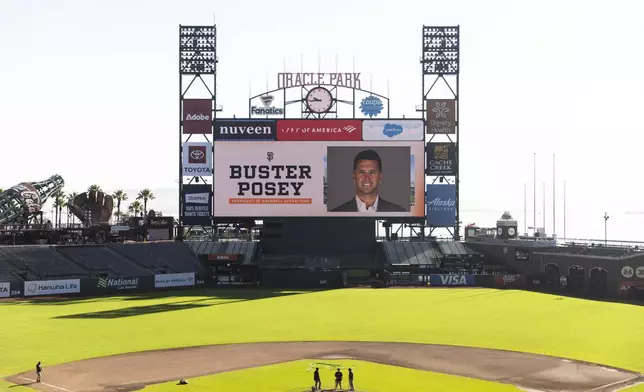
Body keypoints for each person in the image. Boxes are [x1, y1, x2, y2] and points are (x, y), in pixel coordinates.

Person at [330, 149, 406, 212]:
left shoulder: (398, 212)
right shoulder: (335, 214)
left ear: (380, 177)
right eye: (361, 173)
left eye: (372, 173)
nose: (367, 178)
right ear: (354, 177)